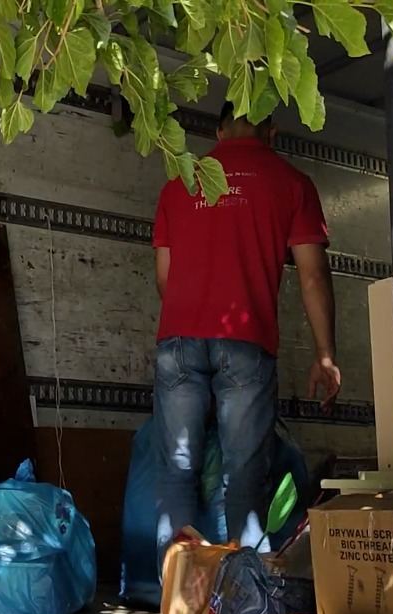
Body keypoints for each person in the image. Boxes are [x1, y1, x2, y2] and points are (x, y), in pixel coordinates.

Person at [150, 102, 341, 580]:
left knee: (177, 472)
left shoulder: (179, 183)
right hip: (244, 343)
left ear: (218, 129)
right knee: (243, 479)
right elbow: (314, 277)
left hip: (177, 342)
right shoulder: (292, 183)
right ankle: (239, 613)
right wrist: (324, 354)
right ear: (272, 131)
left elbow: (164, 279)